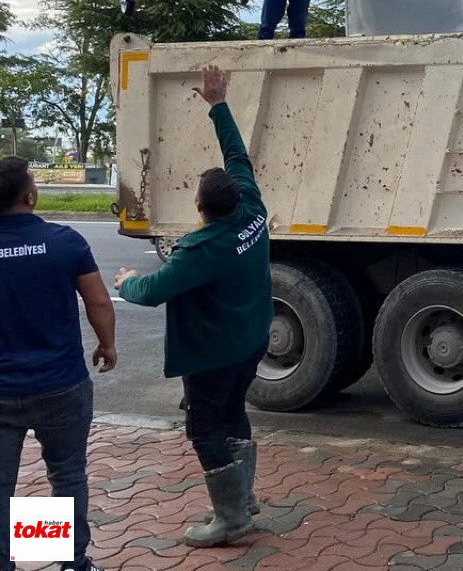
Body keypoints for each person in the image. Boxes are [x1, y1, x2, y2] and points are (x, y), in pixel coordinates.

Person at [114, 66, 272, 548]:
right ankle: (241, 499)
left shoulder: (202, 249)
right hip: (251, 341)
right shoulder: (252, 208)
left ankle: (230, 518)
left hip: (213, 355)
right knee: (234, 414)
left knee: (204, 427)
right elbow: (237, 154)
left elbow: (153, 290)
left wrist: (127, 280)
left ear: (200, 206)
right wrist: (218, 104)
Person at [0, 157, 116, 571]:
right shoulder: (65, 241)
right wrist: (107, 345)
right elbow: (99, 300)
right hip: (61, 385)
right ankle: (70, 563)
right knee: (66, 475)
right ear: (30, 195)